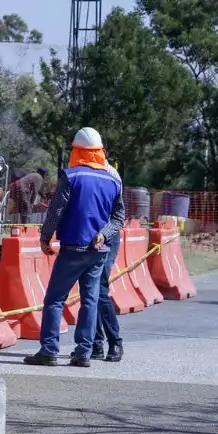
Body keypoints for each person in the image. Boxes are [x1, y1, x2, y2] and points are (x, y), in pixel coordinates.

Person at [24, 127, 125, 367]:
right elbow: (119, 216)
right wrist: (104, 234)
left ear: (77, 151)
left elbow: (56, 210)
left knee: (55, 299)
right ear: (100, 151)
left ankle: (49, 350)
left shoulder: (71, 176)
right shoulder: (113, 179)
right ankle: (84, 353)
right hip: (98, 251)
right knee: (89, 300)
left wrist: (45, 238)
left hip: (73, 248)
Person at [93, 154, 124, 362]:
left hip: (108, 236)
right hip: (87, 238)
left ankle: (115, 343)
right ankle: (95, 345)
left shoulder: (111, 175)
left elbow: (117, 215)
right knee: (89, 289)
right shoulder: (79, 170)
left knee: (99, 288)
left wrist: (104, 234)